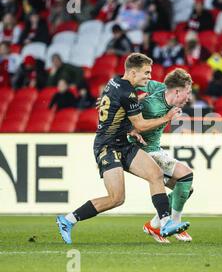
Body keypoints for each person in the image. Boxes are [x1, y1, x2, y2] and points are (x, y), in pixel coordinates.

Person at [56, 53, 190, 244]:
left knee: (156, 175)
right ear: (133, 72)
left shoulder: (115, 83)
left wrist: (128, 128)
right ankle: (67, 220)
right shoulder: (127, 92)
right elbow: (141, 125)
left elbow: (116, 110)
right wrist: (167, 118)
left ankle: (165, 223)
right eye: (146, 73)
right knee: (116, 198)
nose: (149, 77)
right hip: (107, 147)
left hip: (124, 143)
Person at [134, 68, 195, 243]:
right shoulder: (152, 106)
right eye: (187, 92)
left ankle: (154, 225)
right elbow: (132, 118)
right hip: (144, 151)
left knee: (185, 189)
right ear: (177, 91)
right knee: (186, 175)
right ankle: (175, 224)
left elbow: (138, 86)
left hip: (156, 149)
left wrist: (134, 96)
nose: (188, 97)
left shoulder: (160, 87)